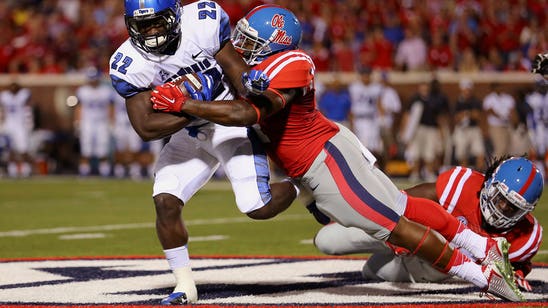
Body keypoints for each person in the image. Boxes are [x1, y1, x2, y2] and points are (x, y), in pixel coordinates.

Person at [149, 4, 524, 302]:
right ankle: (484, 246)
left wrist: (186, 105)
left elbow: (249, 113)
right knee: (400, 206)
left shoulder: (291, 64)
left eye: (249, 38)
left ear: (275, 40)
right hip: (322, 154)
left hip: (324, 162)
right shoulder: (262, 65)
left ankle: (483, 275)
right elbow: (257, 119)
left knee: (393, 225)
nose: (241, 45)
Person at [109, 0, 297, 304]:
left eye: (158, 21)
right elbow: (145, 127)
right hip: (190, 132)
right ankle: (185, 286)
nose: (152, 31)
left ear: (176, 15)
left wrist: (241, 87)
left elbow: (236, 70)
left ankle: (301, 187)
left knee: (257, 207)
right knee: (165, 201)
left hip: (229, 127)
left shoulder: (202, 22)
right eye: (144, 25)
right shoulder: (129, 61)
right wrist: (191, 107)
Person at [314, 156, 543, 292]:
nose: (501, 209)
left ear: (525, 212)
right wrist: (390, 220)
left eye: (512, 207)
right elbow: (409, 197)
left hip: (431, 263)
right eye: (500, 199)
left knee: (372, 271)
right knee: (326, 241)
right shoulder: (464, 184)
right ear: (489, 184)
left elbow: (520, 263)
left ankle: (391, 264)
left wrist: (518, 273)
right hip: (406, 228)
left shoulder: (527, 236)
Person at [74, 67, 114, 177]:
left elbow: (111, 107)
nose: (93, 81)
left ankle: (104, 171)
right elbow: (79, 107)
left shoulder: (106, 91)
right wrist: (77, 122)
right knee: (86, 146)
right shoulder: (82, 90)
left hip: (102, 121)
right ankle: (84, 171)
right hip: (87, 122)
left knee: (103, 146)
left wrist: (111, 122)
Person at [0, 79, 34, 177]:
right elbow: (2, 110)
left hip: (21, 126)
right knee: (10, 150)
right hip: (9, 125)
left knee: (23, 149)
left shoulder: (23, 94)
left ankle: (27, 169)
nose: (13, 88)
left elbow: (28, 107)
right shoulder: (5, 96)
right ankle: (12, 170)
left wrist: (29, 122)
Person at [452, 78, 486, 171]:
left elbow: (478, 115)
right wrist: (469, 114)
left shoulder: (475, 101)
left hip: (474, 129)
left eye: (468, 89)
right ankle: (464, 175)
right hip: (461, 130)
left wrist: (465, 114)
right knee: (462, 155)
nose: (467, 91)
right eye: (465, 89)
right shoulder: (458, 101)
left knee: (480, 153)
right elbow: (456, 118)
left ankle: (479, 174)